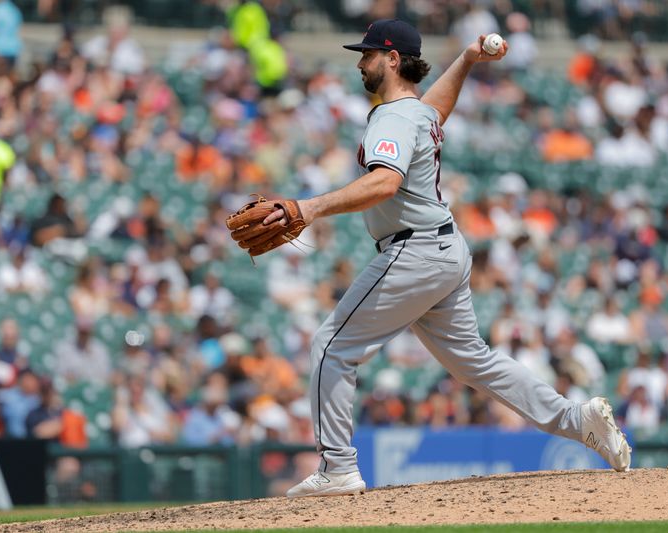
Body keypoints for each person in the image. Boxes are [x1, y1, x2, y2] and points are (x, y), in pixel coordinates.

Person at [262, 19, 631, 499]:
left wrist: (309, 207)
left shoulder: (392, 117)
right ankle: (575, 418)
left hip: (413, 250)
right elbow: (436, 110)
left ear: (392, 59)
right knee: (473, 361)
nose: (360, 62)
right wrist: (467, 59)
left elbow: (384, 183)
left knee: (331, 346)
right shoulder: (413, 113)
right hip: (444, 249)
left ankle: (337, 468)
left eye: (368, 54)